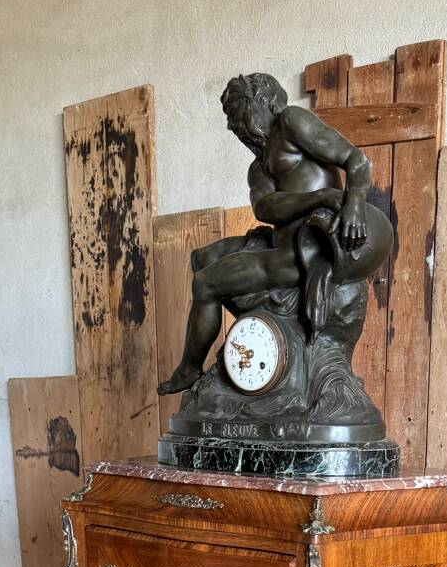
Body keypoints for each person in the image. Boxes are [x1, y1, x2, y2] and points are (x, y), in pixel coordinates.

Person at [158, 73, 393, 396]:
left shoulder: (291, 121)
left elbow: (356, 159)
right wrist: (320, 197)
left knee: (205, 283)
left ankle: (189, 368)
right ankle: (257, 336)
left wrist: (353, 205)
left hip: (306, 250)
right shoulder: (258, 168)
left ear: (263, 100)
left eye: (237, 112)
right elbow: (265, 209)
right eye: (229, 119)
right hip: (278, 243)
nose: (233, 126)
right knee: (201, 259)